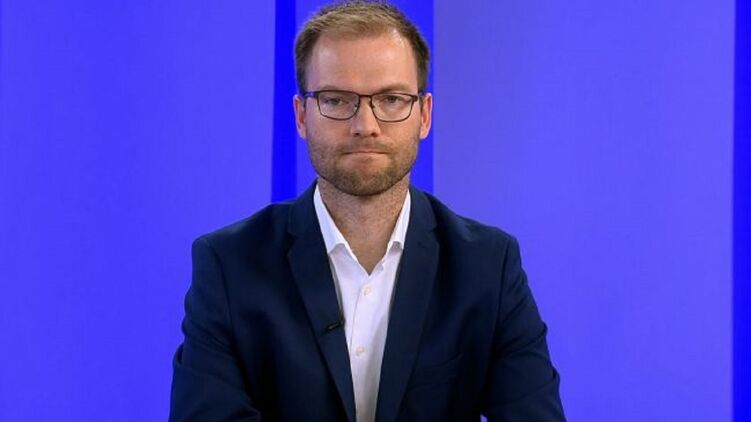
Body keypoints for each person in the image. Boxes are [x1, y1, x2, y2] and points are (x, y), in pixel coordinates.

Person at [169, 1, 565, 421]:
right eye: (336, 100)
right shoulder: (229, 265)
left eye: (391, 99)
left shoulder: (488, 266)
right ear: (301, 117)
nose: (365, 125)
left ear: (424, 115)